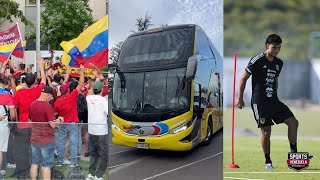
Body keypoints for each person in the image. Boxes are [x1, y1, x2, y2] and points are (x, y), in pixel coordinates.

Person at [236, 34, 310, 169]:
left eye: (279, 48)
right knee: (266, 131)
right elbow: (243, 79)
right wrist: (240, 98)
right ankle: (268, 161)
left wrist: (276, 96)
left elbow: (275, 80)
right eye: (274, 47)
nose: (276, 50)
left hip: (273, 100)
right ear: (267, 46)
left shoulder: (279, 63)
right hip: (259, 101)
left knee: (293, 122)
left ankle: (294, 155)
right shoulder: (257, 60)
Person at [13, 58, 46, 179]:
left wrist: (16, 121)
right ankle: (33, 173)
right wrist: (42, 66)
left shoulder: (19, 92)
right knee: (33, 150)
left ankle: (22, 174)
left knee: (22, 150)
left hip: (22, 125)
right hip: (34, 126)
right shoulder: (37, 90)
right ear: (34, 82)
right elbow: (43, 80)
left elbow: (14, 107)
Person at [28, 86, 63, 180]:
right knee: (47, 165)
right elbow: (53, 124)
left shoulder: (32, 104)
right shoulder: (47, 106)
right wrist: (59, 120)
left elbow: (29, 120)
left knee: (34, 163)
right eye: (51, 97)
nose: (51, 99)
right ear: (48, 94)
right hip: (47, 140)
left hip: (35, 138)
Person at [54, 65, 84, 167]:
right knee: (73, 142)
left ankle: (60, 161)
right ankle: (73, 163)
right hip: (72, 124)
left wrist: (67, 71)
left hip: (62, 123)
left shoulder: (57, 101)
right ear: (67, 90)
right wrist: (82, 72)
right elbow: (80, 84)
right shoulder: (72, 96)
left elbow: (55, 113)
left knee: (61, 142)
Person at [85, 81, 108, 180]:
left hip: (92, 130)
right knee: (103, 154)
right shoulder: (104, 101)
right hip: (101, 131)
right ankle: (99, 175)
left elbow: (89, 92)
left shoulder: (89, 98)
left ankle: (91, 173)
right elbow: (107, 113)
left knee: (94, 152)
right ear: (101, 90)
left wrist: (92, 84)